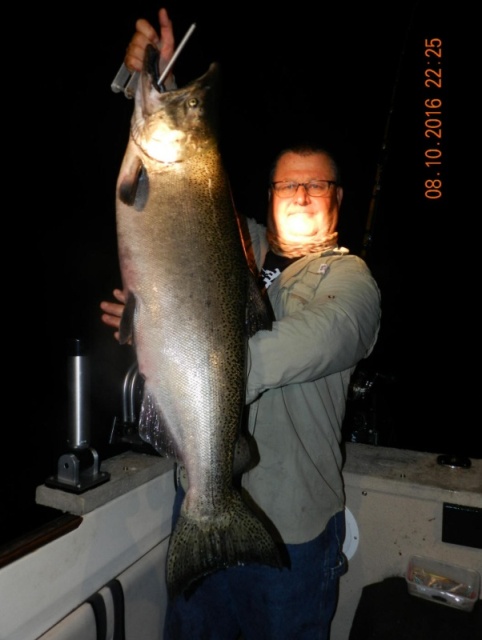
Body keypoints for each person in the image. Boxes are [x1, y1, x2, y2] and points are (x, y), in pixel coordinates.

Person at [101, 8, 382, 639]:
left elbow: (312, 343)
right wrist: (146, 76)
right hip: (199, 499)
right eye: (289, 186)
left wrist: (195, 362)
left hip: (292, 533)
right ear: (268, 197)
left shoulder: (351, 280)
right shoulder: (238, 249)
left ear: (338, 200)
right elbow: (164, 197)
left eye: (317, 187)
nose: (302, 195)